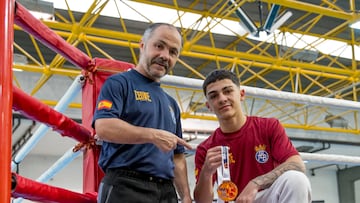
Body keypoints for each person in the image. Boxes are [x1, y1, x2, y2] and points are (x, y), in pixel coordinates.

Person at [93, 23, 192, 203]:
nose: (164, 56)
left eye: (173, 52)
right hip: (126, 186)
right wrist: (152, 135)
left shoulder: (171, 104)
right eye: (159, 46)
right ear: (142, 45)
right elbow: (103, 127)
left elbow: (177, 156)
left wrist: (186, 195)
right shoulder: (119, 84)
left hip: (167, 191)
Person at [193, 69, 312, 203]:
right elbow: (202, 201)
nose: (222, 99)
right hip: (232, 201)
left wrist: (256, 183)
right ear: (208, 105)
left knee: (296, 179)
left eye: (228, 91)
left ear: (241, 94)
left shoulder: (268, 126)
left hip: (265, 195)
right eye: (214, 96)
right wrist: (206, 172)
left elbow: (297, 165)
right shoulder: (205, 148)